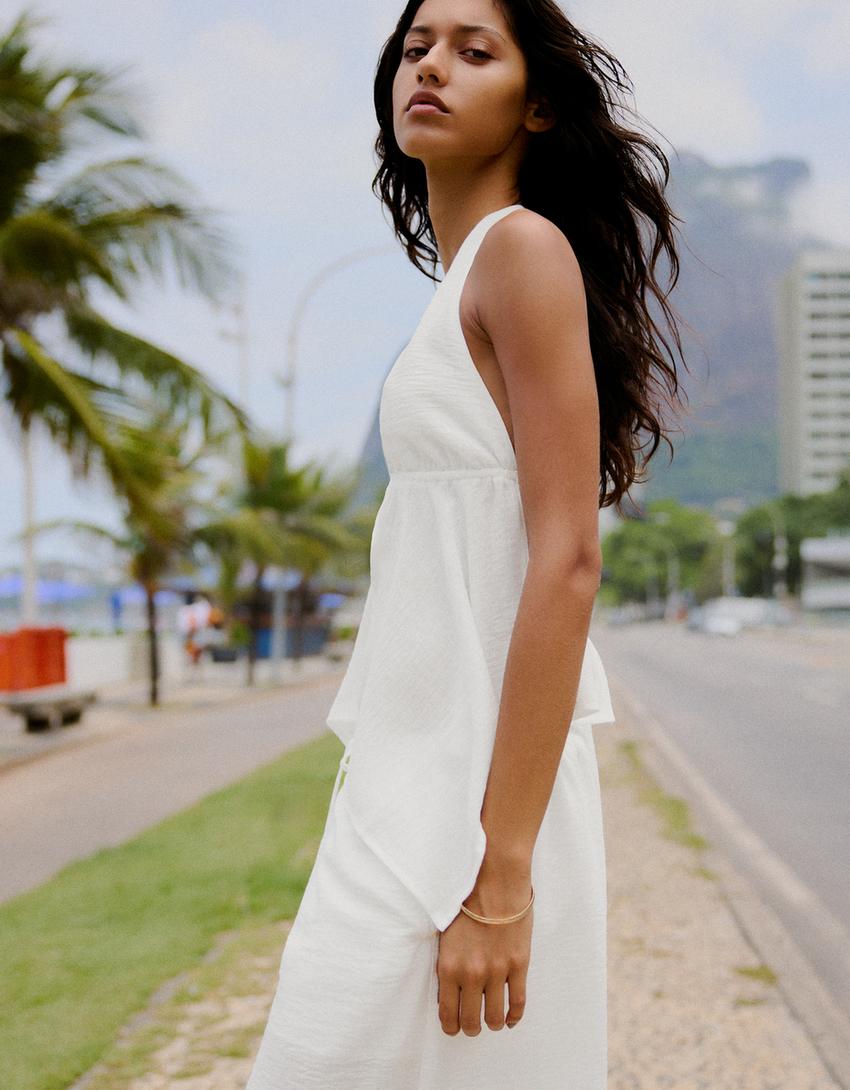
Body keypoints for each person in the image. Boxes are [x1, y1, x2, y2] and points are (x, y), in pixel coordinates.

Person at [245, 1, 686, 1086]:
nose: (428, 66)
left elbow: (567, 560)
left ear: (537, 105)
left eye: (471, 50)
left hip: (473, 807)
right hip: (412, 777)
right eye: (414, 47)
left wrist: (500, 877)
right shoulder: (466, 282)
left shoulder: (520, 251)